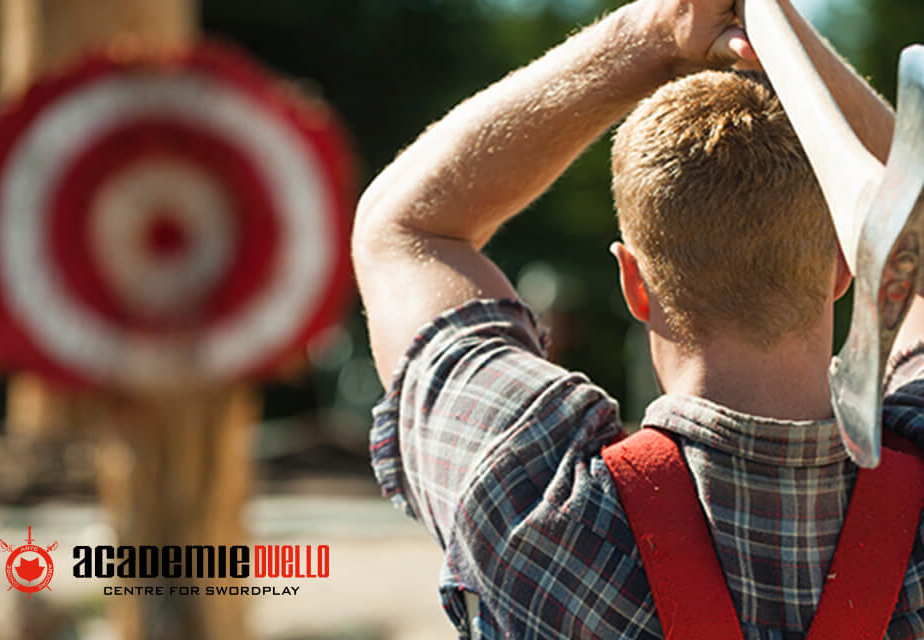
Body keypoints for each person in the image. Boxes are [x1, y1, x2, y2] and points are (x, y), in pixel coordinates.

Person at [352, 0, 924, 637]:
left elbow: (404, 229)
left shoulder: (533, 493)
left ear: (635, 284)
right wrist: (787, 37)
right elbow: (912, 243)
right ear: (845, 269)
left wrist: (653, 32)